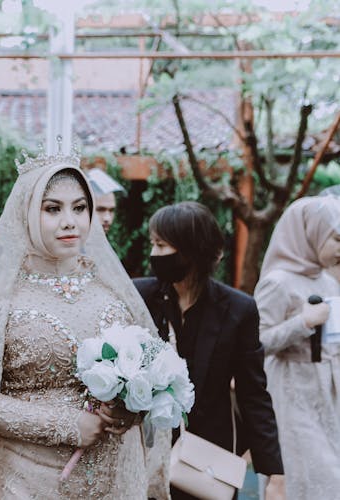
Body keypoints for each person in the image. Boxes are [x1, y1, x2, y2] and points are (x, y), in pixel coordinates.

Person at [0, 150, 168, 499]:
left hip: (113, 483)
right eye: (53, 209)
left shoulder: (112, 291)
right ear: (26, 213)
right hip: (26, 482)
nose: (70, 221)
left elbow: (145, 373)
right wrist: (67, 426)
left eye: (79, 208)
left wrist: (130, 410)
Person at [133, 201, 285, 500]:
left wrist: (275, 474)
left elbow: (253, 394)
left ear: (190, 250)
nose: (154, 254)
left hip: (206, 458)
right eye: (153, 244)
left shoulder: (238, 310)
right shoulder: (141, 296)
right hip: (144, 449)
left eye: (161, 245)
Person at [253, 196, 340, 499]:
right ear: (311, 234)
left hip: (328, 393)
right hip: (291, 395)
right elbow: (256, 342)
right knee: (303, 476)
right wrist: (301, 323)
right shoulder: (278, 283)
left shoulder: (328, 282)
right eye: (337, 239)